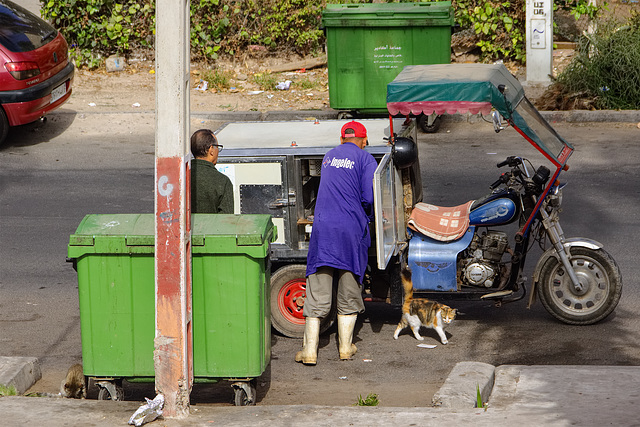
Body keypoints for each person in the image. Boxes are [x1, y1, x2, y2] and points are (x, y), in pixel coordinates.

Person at [296, 121, 378, 365]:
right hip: (350, 231)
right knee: (349, 289)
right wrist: (370, 218)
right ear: (363, 140)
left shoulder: (329, 156)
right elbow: (368, 197)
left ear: (342, 138)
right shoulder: (365, 159)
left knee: (318, 291)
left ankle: (309, 352)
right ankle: (345, 347)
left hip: (323, 230)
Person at [190, 129, 234, 214]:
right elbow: (226, 220)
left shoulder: (180, 177)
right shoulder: (223, 182)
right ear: (211, 150)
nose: (218, 151)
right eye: (217, 147)